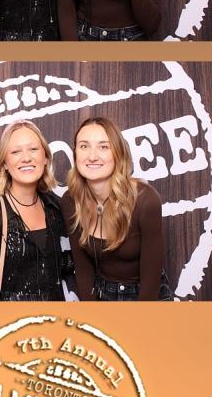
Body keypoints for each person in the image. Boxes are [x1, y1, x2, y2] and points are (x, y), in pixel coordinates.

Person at [61, 117, 173, 301]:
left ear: (118, 154)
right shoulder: (70, 201)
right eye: (84, 146)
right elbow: (83, 270)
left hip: (146, 295)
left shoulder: (145, 200)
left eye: (103, 147)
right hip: (102, 293)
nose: (92, 156)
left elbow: (150, 287)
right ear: (75, 154)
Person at [0, 122, 70, 301]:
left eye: (33, 149)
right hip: (10, 318)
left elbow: (53, 265)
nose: (26, 158)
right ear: (5, 163)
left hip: (53, 316)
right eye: (15, 152)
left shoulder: (53, 206)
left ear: (45, 157)